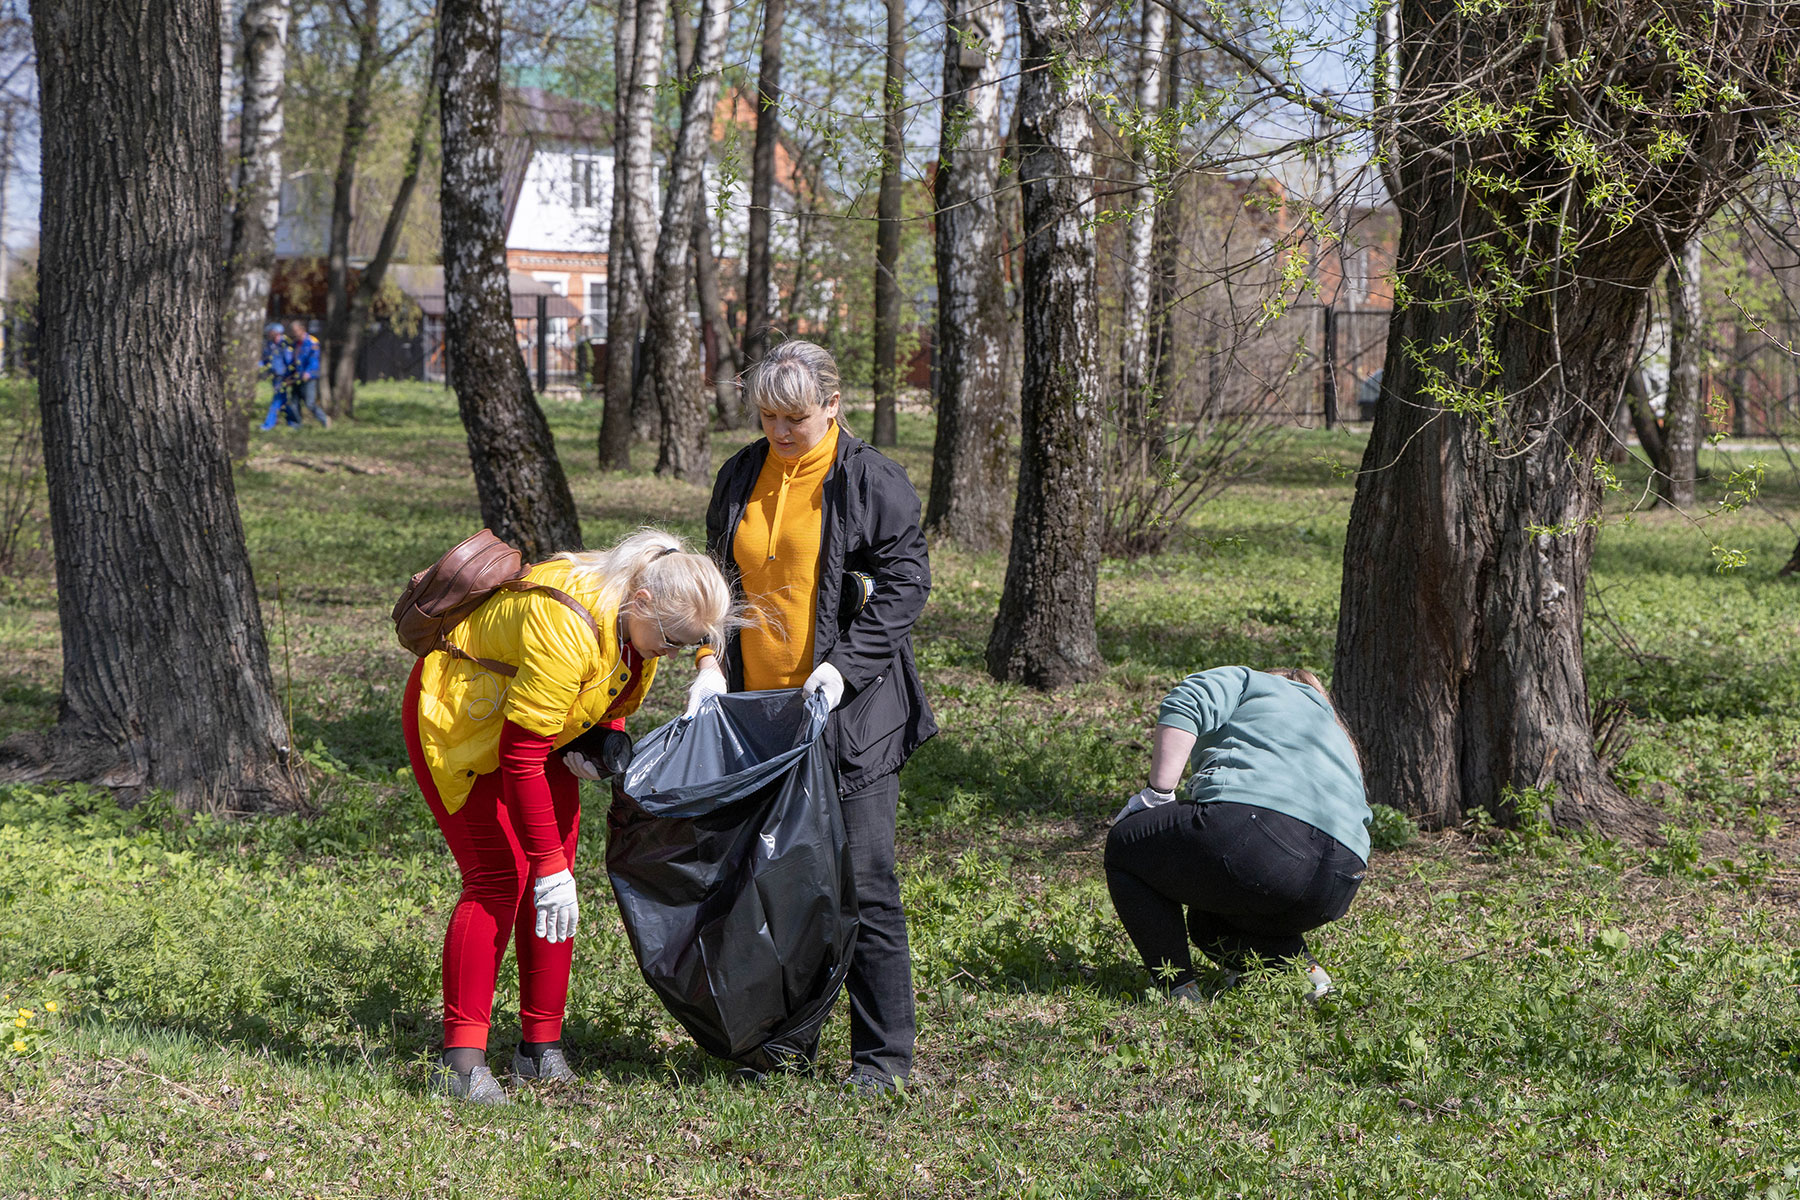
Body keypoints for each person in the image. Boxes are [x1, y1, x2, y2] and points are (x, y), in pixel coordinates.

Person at [402, 528, 736, 1104]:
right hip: (461, 718)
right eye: (672, 640)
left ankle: (540, 1048)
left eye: (687, 646)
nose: (674, 653)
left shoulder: (640, 624)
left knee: (552, 889)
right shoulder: (569, 622)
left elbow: (598, 700)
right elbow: (520, 757)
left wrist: (597, 742)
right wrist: (548, 863)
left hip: (539, 730)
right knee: (499, 878)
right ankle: (460, 1065)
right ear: (644, 601)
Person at [693, 339, 936, 1095]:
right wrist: (708, 663)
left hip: (851, 714)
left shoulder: (871, 480)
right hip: (761, 717)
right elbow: (718, 581)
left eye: (794, 417)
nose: (780, 432)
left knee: (862, 882)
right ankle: (784, 1044)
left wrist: (840, 670)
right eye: (767, 416)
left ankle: (882, 1060)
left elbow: (904, 587)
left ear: (833, 406)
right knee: (781, 884)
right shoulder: (741, 473)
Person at [1104, 666, 1371, 1003]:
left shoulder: (1249, 682)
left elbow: (1187, 700)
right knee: (1208, 925)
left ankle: (1180, 992)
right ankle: (1311, 979)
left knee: (1125, 845)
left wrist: (1157, 794)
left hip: (1260, 835)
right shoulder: (1331, 729)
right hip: (1339, 880)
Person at [285, 319, 332, 428]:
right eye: (292, 331)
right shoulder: (295, 344)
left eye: (295, 330)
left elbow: (314, 360)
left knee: (309, 403)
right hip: (297, 377)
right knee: (293, 402)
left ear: (302, 329)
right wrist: (289, 376)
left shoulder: (312, 341)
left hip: (309, 377)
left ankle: (324, 419)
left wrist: (308, 373)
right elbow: (293, 361)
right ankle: (297, 425)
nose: (293, 333)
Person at [257, 323, 298, 430]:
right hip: (275, 375)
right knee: (282, 400)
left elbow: (289, 362)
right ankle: (293, 422)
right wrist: (259, 365)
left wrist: (289, 376)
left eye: (271, 333)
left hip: (283, 376)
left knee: (277, 400)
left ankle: (268, 424)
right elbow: (266, 359)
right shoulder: (270, 344)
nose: (269, 335)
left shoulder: (285, 344)